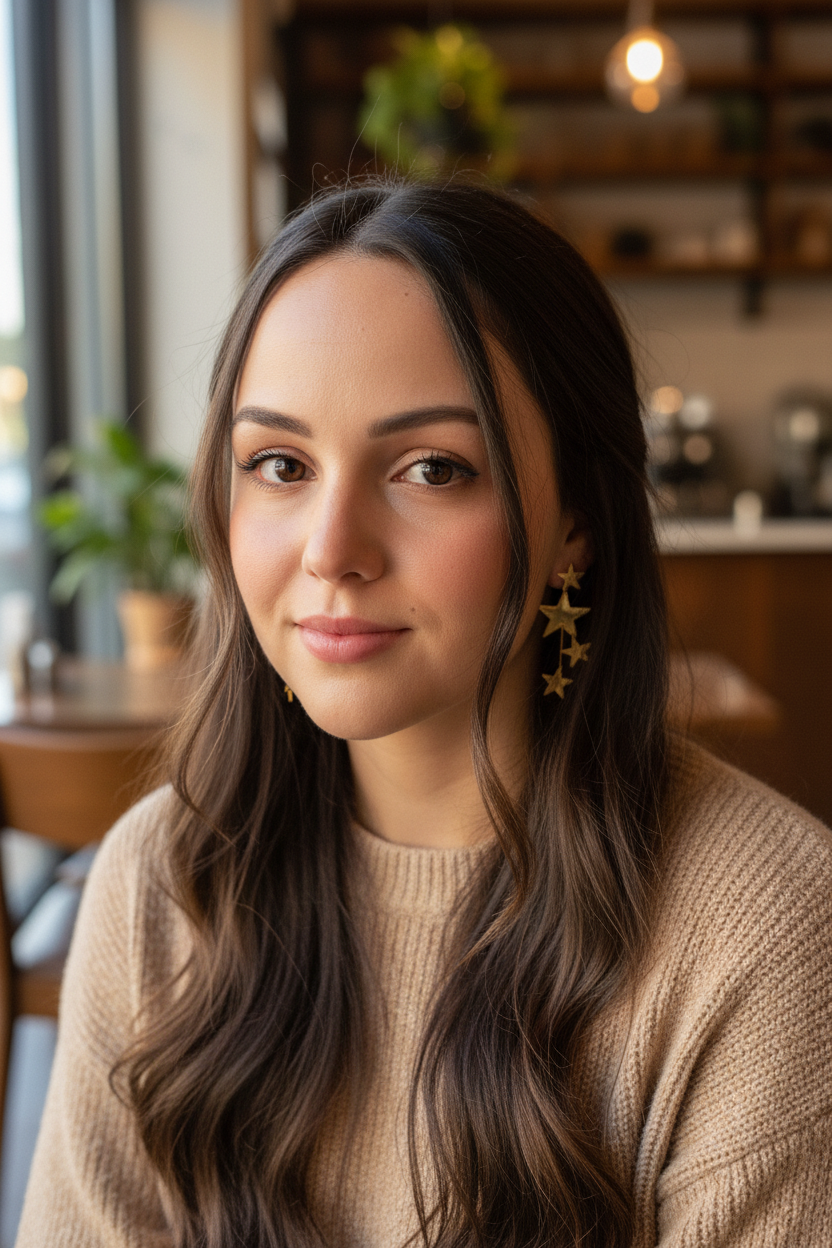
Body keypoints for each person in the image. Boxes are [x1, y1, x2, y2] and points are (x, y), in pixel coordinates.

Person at [16, 179, 832, 1248]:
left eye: (430, 469)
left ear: (577, 521)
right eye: (279, 465)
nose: (329, 548)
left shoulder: (765, 932)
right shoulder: (159, 889)